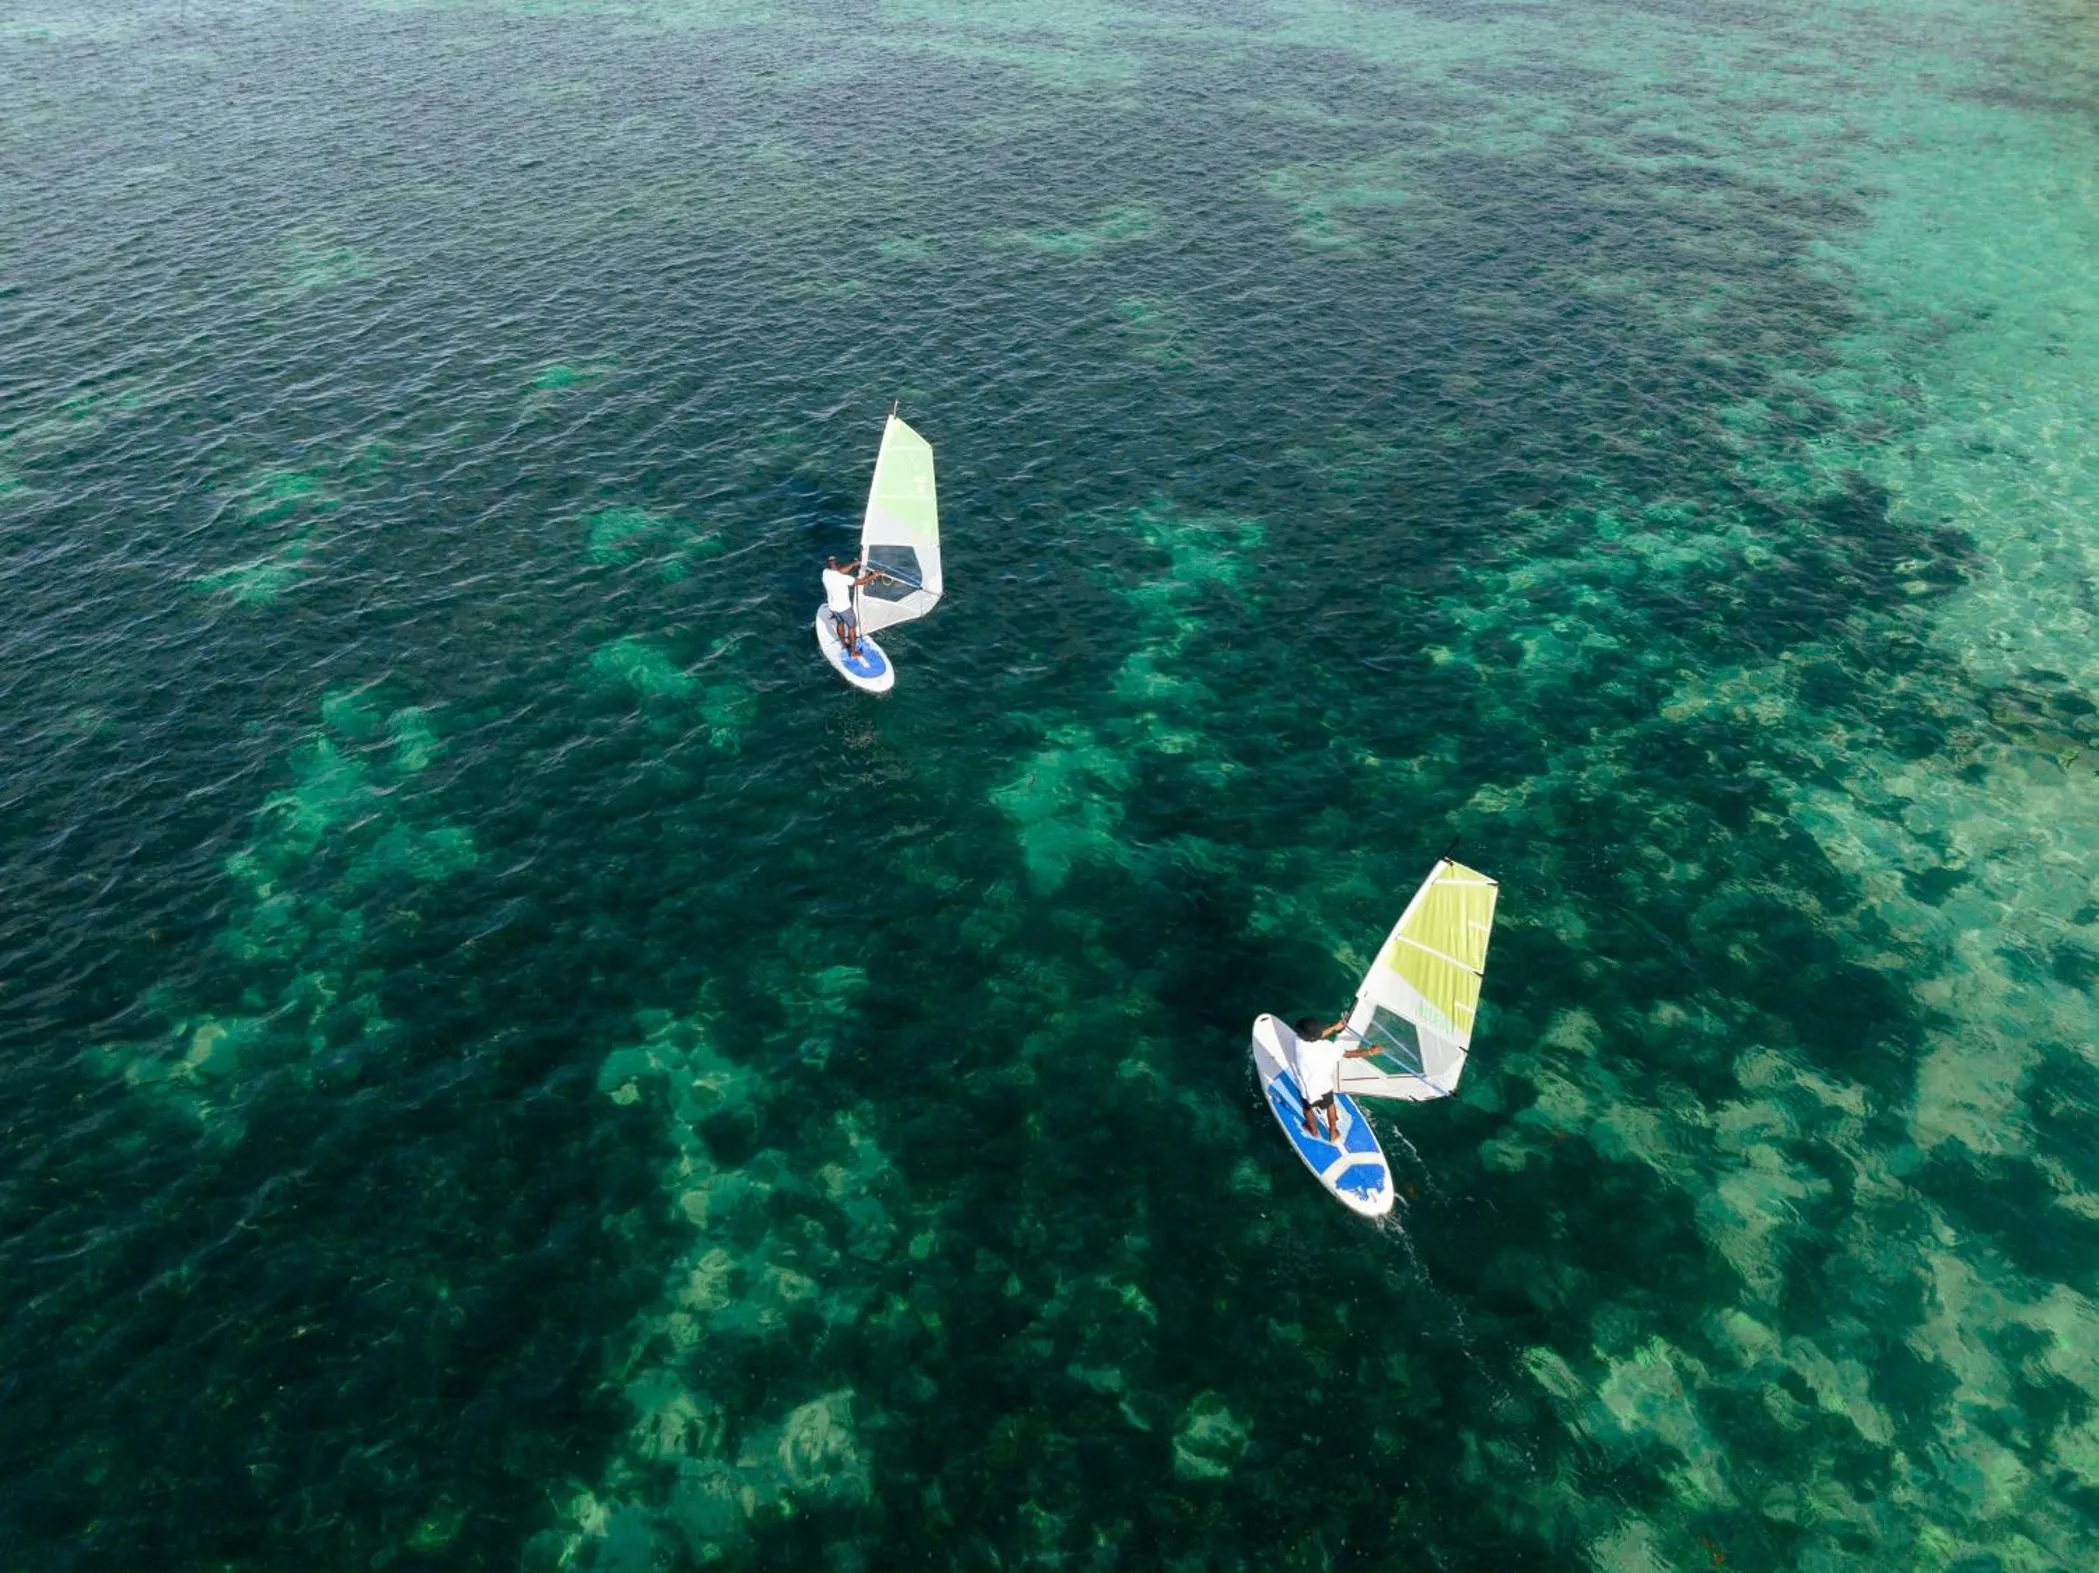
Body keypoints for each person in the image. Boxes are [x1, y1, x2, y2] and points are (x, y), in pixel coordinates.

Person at [1292, 1014, 1379, 1142]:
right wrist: (1370, 1052)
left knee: (1307, 1109)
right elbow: (1348, 1054)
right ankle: (1333, 1133)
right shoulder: (1328, 1047)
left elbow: (1316, 1036)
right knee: (1330, 1106)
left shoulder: (1298, 1043)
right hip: (1324, 1086)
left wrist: (1333, 1028)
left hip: (1306, 1087)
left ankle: (1313, 1130)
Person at [822, 555, 881, 658]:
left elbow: (839, 571)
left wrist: (854, 564)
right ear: (836, 564)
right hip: (844, 608)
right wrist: (874, 575)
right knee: (852, 627)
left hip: (833, 607)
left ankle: (844, 645)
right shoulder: (843, 578)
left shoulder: (825, 573)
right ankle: (853, 653)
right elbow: (862, 582)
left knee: (839, 623)